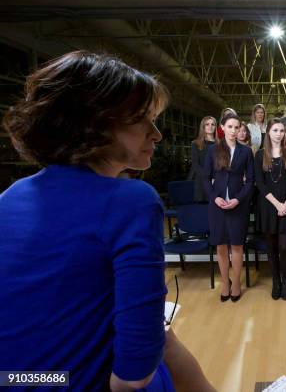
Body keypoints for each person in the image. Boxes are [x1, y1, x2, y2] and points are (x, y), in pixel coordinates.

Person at [0, 51, 214, 391]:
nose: (156, 134)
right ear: (93, 123)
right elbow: (131, 378)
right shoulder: (131, 199)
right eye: (142, 119)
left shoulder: (10, 197)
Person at [203, 113, 254, 302]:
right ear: (222, 127)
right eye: (230, 127)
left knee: (237, 245)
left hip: (237, 205)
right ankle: (225, 282)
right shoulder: (213, 150)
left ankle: (237, 282)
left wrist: (238, 200)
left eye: (237, 127)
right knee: (221, 246)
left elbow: (250, 181)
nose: (234, 131)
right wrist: (215, 198)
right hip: (217, 205)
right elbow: (205, 178)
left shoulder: (246, 152)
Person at [254, 118, 286, 300]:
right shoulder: (259, 155)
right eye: (275, 130)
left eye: (282, 131)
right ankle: (276, 282)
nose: (279, 134)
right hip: (268, 206)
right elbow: (260, 183)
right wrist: (277, 204)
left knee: (284, 247)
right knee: (271, 247)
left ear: (285, 133)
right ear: (268, 132)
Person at [188, 116, 216, 202]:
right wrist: (208, 177)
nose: (210, 126)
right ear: (203, 127)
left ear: (215, 126)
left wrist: (216, 178)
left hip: (216, 180)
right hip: (201, 181)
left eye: (212, 124)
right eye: (207, 124)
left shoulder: (220, 144)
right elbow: (196, 165)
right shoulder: (195, 144)